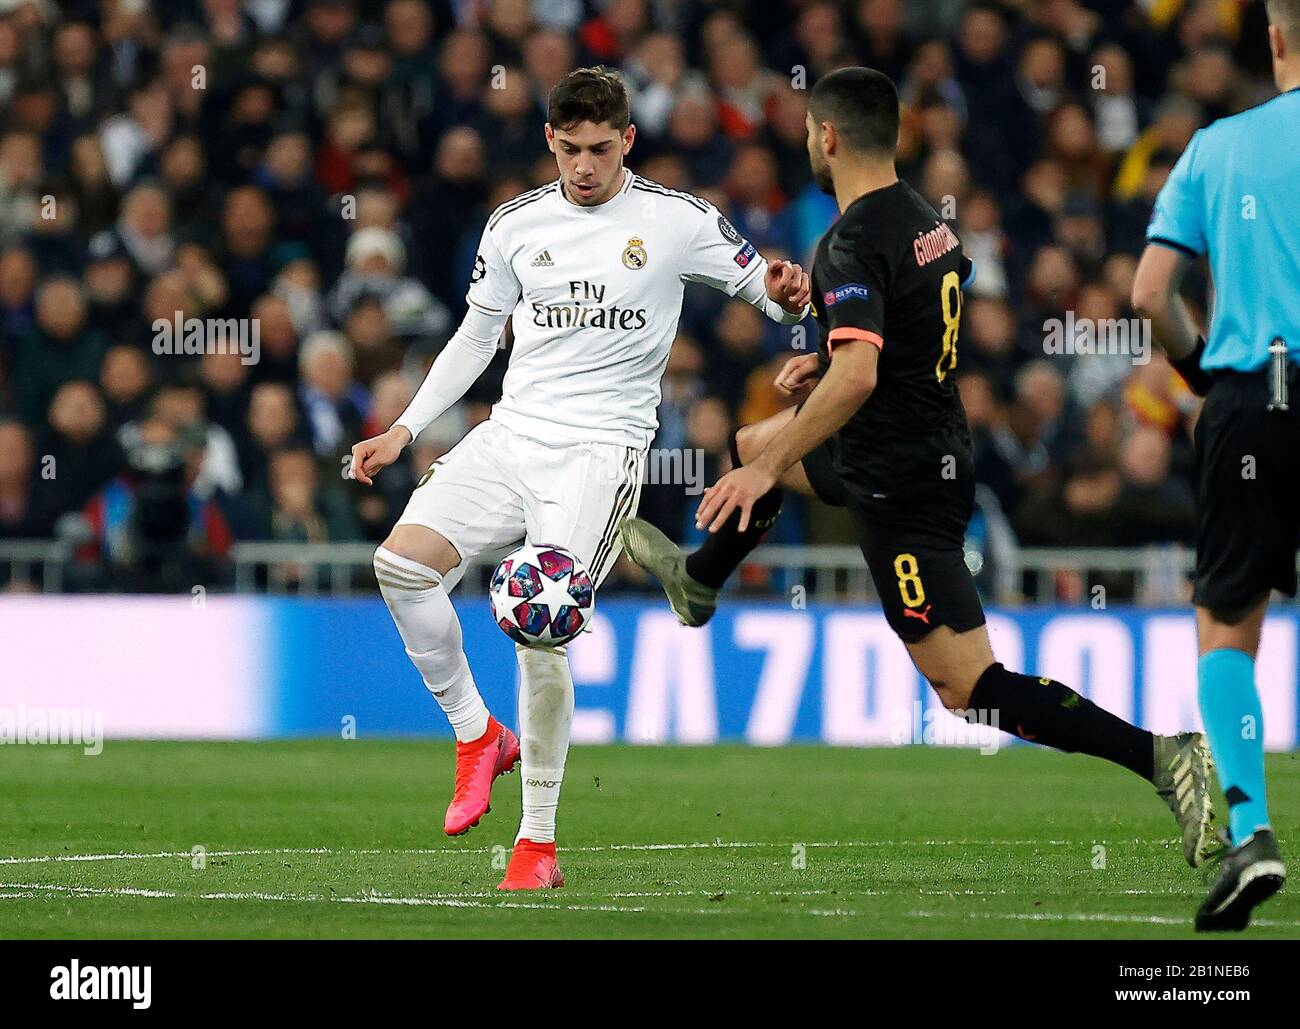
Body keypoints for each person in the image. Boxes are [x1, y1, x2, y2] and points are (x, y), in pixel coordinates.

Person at [620, 66, 1217, 883]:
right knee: (755, 436)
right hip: (915, 440)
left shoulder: (850, 240)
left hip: (897, 480)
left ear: (827, 137)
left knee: (969, 686)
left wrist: (787, 449)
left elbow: (861, 376)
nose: (804, 142)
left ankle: (1161, 755)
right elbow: (934, 296)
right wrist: (825, 348)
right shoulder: (926, 223)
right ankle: (698, 581)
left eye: (805, 130)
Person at [347, 67, 810, 891]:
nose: (586, 166)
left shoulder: (676, 221)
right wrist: (404, 427)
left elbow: (768, 293)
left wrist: (783, 295)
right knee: (401, 565)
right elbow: (474, 337)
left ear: (627, 140)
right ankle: (477, 735)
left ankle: (537, 842)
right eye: (570, 149)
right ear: (550, 143)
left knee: (538, 617)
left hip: (600, 454)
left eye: (601, 148)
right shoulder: (516, 226)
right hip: (511, 435)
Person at [1130, 0, 1299, 930]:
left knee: (1227, 623)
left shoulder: (1218, 146)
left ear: (1273, 39)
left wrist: (1198, 371)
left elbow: (1149, 292)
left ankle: (1253, 831)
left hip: (1252, 398)